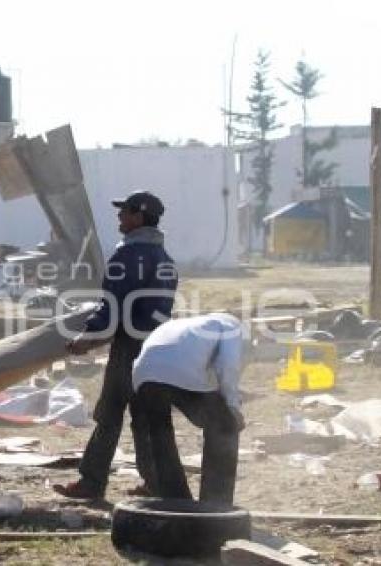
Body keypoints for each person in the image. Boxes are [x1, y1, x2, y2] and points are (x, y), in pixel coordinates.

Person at [54, 190, 177, 499]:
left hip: (128, 348)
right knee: (147, 420)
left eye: (125, 211)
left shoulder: (127, 256)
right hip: (157, 347)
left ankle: (91, 482)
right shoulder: (164, 258)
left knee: (109, 414)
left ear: (139, 216)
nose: (119, 216)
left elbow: (112, 304)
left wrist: (88, 336)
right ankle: (157, 483)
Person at [131, 313, 246, 505]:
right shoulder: (231, 325)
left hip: (143, 375)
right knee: (225, 426)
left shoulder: (183, 325)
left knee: (160, 437)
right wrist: (232, 406)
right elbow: (228, 365)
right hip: (181, 371)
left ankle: (175, 500)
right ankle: (216, 502)